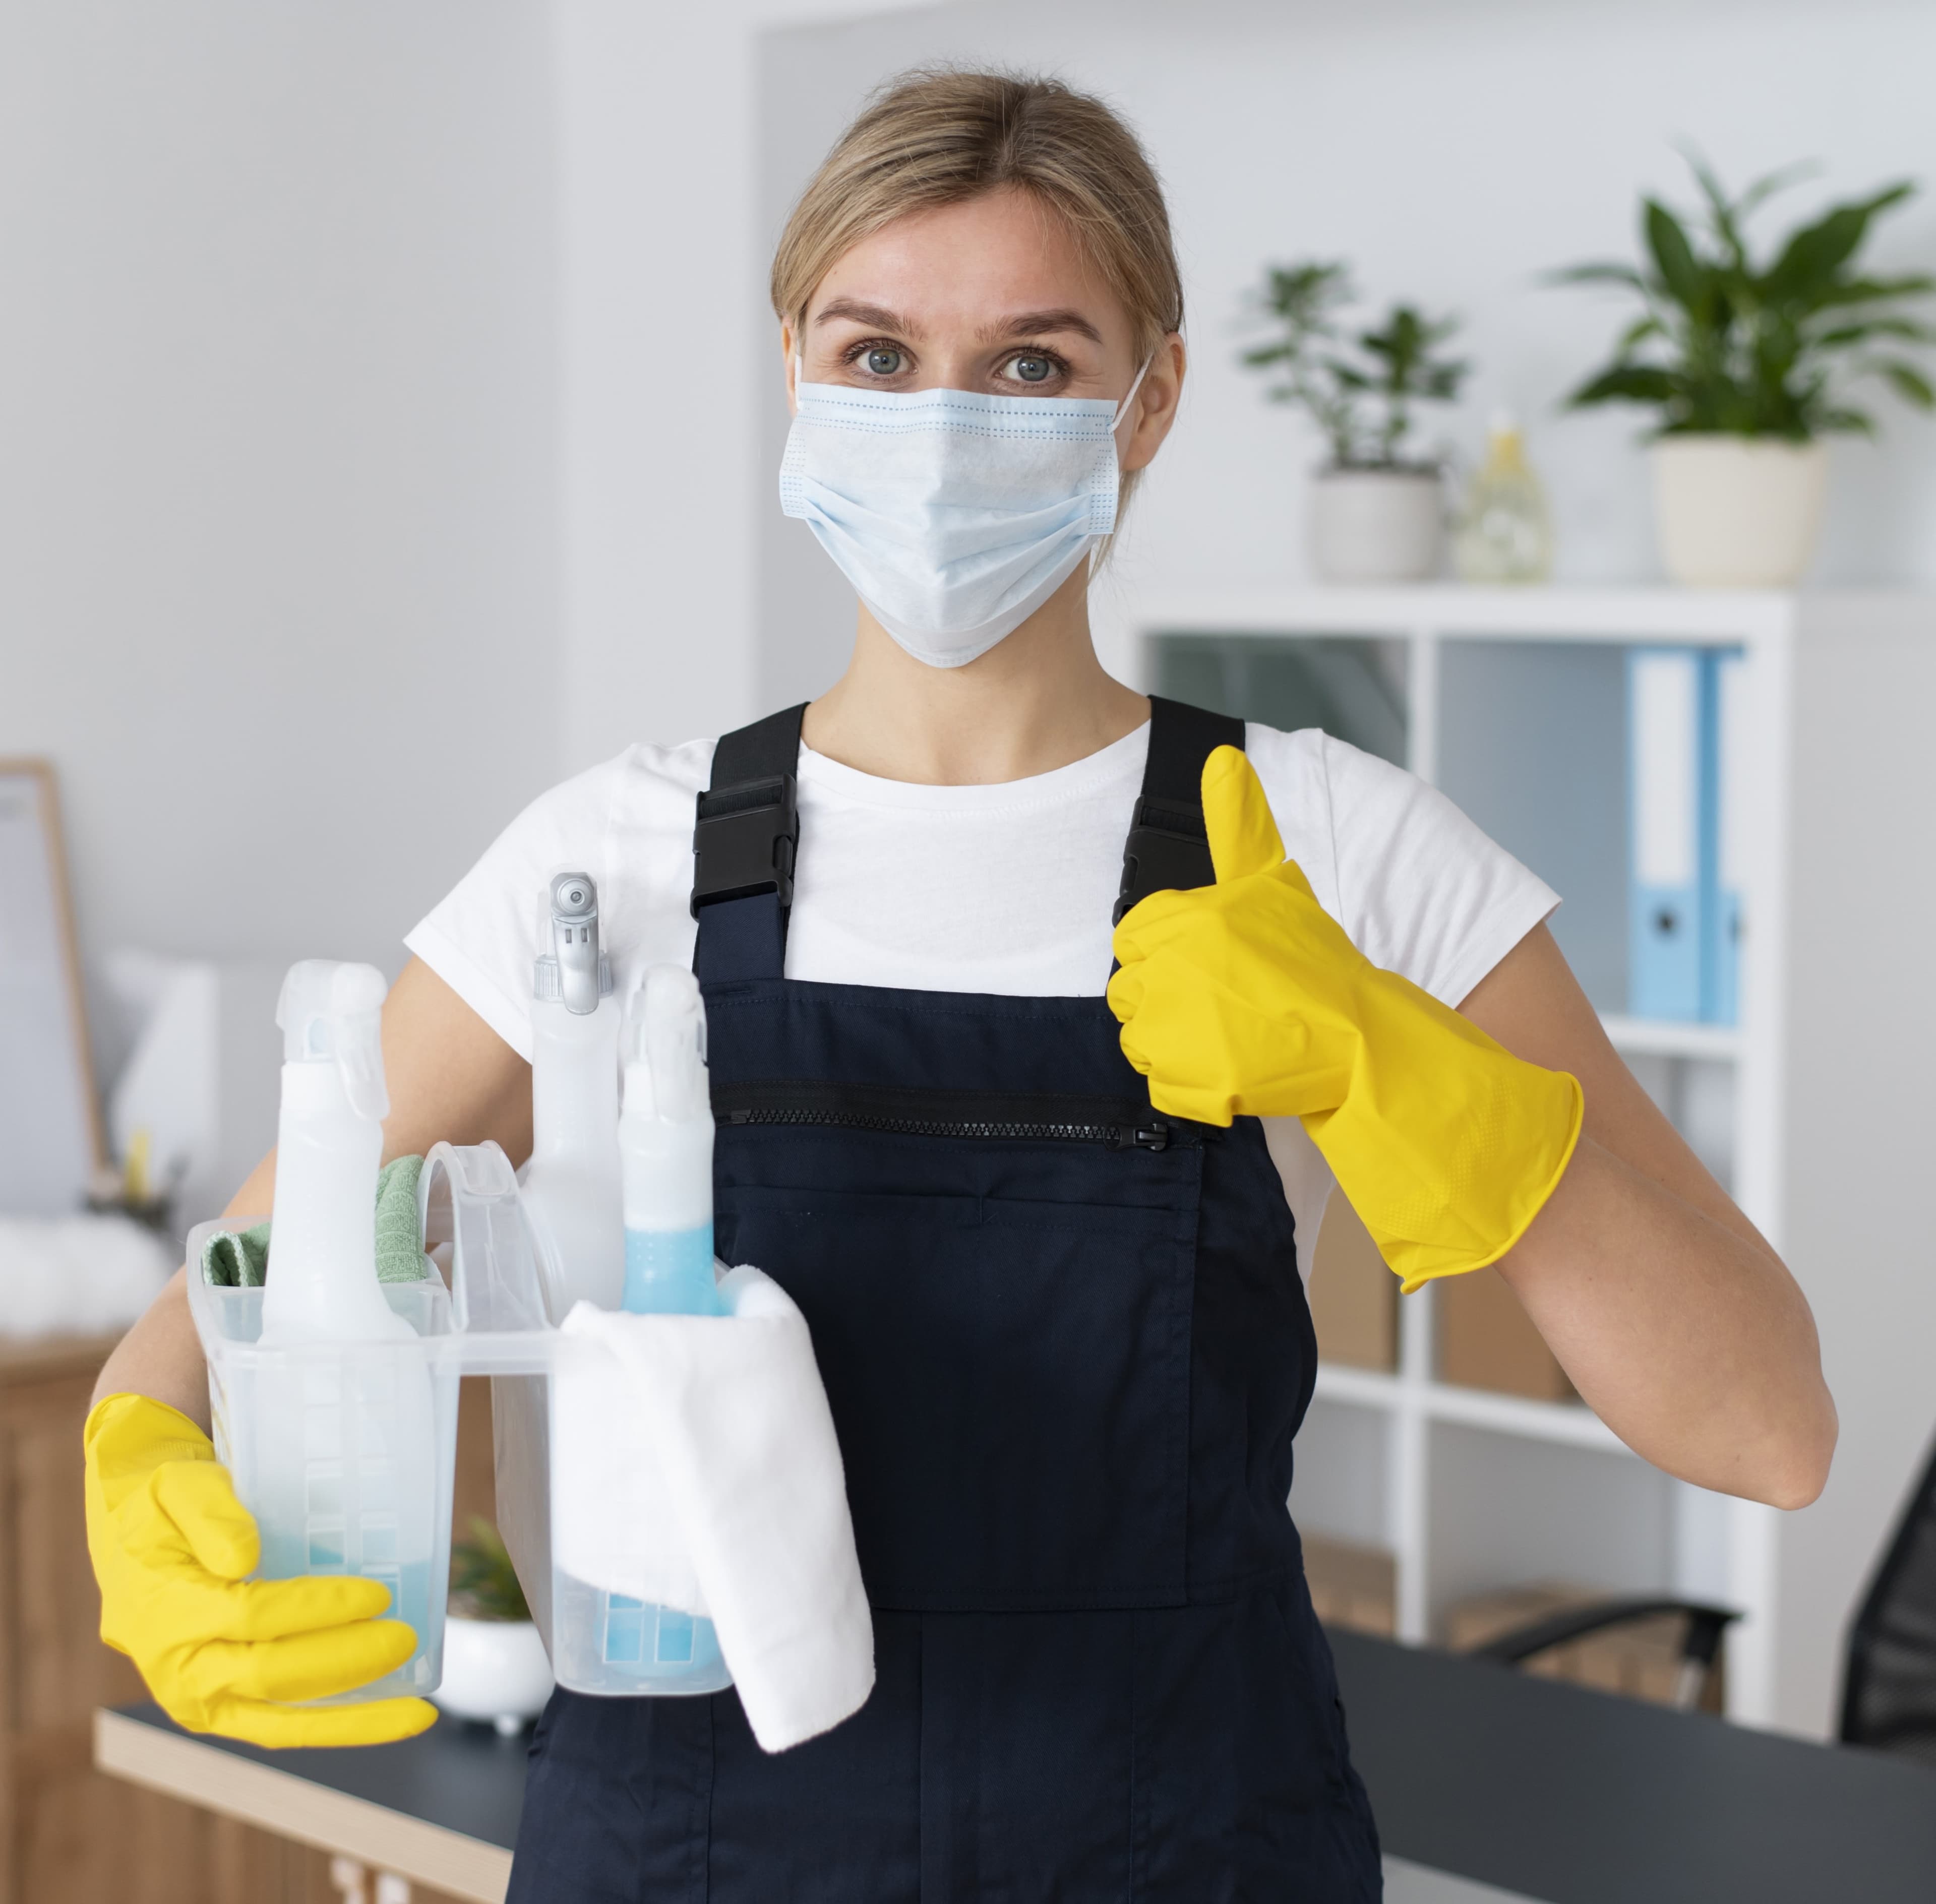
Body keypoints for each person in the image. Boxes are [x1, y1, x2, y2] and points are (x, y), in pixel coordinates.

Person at [85, 68, 1835, 1899]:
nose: (941, 423)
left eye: (1030, 363)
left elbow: (1766, 1421)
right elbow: (222, 1299)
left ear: (1149, 400)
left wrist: (1391, 1065)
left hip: (1181, 1857)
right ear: (792, 367)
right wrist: (134, 1459)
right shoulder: (609, 857)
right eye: (875, 353)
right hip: (691, 1864)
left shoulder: (1326, 844)